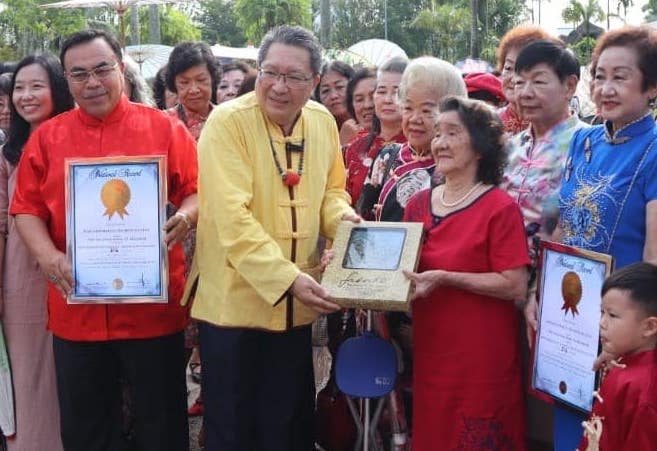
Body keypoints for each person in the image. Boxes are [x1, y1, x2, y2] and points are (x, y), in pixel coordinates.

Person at [10, 29, 198, 451]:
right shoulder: (47, 137)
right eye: (79, 75)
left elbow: (196, 189)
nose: (92, 83)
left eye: (101, 70)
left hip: (152, 306)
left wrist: (186, 217)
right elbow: (26, 208)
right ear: (67, 79)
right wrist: (47, 256)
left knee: (161, 422)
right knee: (85, 426)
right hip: (77, 307)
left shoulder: (164, 129)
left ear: (121, 66)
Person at [184, 25, 356, 451]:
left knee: (289, 423)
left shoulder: (321, 122)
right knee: (234, 428)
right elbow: (231, 220)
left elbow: (331, 192)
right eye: (270, 73)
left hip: (295, 308)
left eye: (294, 77)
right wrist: (288, 279)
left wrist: (349, 227)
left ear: (314, 81)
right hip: (233, 306)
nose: (278, 87)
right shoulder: (227, 122)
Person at [549, 25, 657, 451]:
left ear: (651, 86)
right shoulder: (582, 141)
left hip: (621, 322)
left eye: (621, 77)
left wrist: (634, 336)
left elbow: (653, 254)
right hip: (569, 312)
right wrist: (542, 293)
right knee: (568, 419)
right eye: (599, 75)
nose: (605, 88)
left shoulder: (654, 150)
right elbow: (563, 225)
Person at [403, 96, 529, 451]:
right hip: (433, 350)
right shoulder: (417, 204)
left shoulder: (499, 207)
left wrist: (446, 277)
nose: (440, 142)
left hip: (482, 358)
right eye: (438, 133)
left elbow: (514, 284)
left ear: (479, 146)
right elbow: (398, 265)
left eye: (452, 133)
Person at [0, 53, 74, 451]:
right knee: (29, 379)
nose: (25, 96)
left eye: (36, 86)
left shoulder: (78, 141)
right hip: (23, 284)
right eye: (19, 89)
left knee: (75, 379)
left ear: (57, 90)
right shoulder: (8, 155)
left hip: (77, 278)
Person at [503, 39, 586, 267]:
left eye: (538, 82)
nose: (526, 93)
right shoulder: (510, 147)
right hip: (502, 280)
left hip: (556, 279)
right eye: (519, 83)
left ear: (569, 86)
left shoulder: (588, 147)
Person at [359, 57, 466, 221]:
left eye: (426, 110)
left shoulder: (458, 165)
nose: (415, 119)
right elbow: (365, 219)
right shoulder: (387, 157)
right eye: (408, 108)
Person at [579, 262, 657, 451]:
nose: (602, 323)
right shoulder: (624, 359)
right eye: (602, 312)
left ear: (649, 327)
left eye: (612, 315)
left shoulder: (645, 392)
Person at [344, 58, 406, 210]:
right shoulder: (355, 149)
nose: (387, 99)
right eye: (382, 91)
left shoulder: (419, 147)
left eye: (397, 92)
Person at [496, 25, 553, 134]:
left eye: (523, 70)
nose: (514, 79)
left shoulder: (554, 124)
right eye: (508, 68)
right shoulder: (489, 123)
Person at [166, 41, 220, 142]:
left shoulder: (227, 119)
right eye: (184, 82)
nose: (194, 90)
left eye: (201, 80)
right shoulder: (163, 122)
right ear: (174, 84)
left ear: (212, 79)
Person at [316, 61, 355, 146]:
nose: (333, 96)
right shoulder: (315, 132)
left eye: (340, 87)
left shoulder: (371, 123)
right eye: (326, 91)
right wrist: (342, 144)